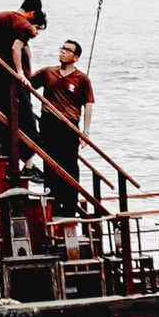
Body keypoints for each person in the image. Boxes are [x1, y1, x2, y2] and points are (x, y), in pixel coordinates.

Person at [0, 0, 46, 158]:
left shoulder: (0, 16)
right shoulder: (25, 26)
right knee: (25, 116)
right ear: (32, 13)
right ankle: (27, 155)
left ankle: (2, 149)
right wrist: (19, 72)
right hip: (8, 76)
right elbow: (16, 48)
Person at [33, 38, 96, 216]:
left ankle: (69, 205)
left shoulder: (81, 78)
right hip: (48, 121)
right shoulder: (48, 72)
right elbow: (28, 84)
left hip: (69, 123)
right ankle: (52, 201)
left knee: (69, 163)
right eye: (62, 48)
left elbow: (88, 104)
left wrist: (85, 132)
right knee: (50, 162)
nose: (63, 51)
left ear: (75, 57)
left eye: (67, 50)